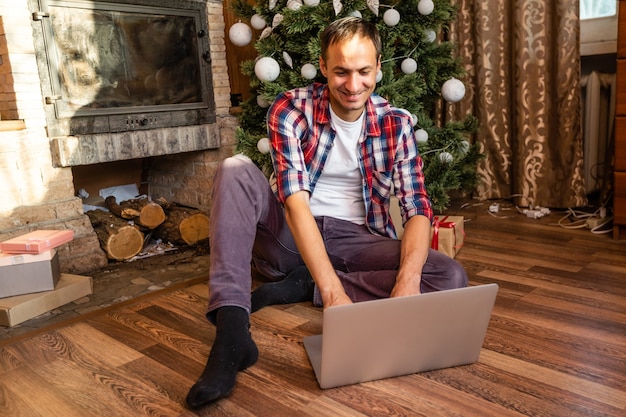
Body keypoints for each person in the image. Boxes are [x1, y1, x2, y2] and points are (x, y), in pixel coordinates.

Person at [185, 16, 468, 409]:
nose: (354, 86)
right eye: (341, 72)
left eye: (364, 71)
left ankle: (307, 285)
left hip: (355, 239)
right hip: (289, 233)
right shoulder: (291, 108)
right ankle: (232, 333)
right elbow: (295, 199)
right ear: (323, 66)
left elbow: (417, 207)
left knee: (448, 275)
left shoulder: (397, 124)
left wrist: (408, 283)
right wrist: (335, 295)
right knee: (234, 170)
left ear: (380, 67)